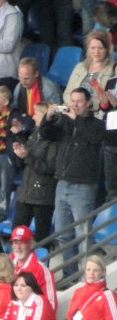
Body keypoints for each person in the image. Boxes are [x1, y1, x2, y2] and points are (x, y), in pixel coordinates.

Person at [41, 89, 105, 278]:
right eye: (73, 101)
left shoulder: (96, 124)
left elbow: (93, 138)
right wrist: (48, 117)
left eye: (79, 101)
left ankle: (90, 277)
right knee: (62, 233)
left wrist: (75, 119)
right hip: (62, 183)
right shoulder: (65, 123)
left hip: (83, 186)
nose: (75, 104)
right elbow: (46, 134)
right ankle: (70, 276)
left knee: (83, 234)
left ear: (88, 103)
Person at [0, 86, 31, 222]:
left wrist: (20, 128)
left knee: (5, 185)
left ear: (5, 102)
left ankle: (1, 211)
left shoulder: (15, 114)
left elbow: (29, 123)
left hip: (8, 155)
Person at [11, 102, 58, 241]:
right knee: (16, 235)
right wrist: (20, 152)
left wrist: (27, 157)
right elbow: (25, 160)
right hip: (25, 192)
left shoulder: (53, 140)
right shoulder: (34, 134)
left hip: (43, 196)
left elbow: (50, 168)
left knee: (41, 239)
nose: (33, 116)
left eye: (37, 113)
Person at [63, 255, 117, 320]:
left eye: (95, 270)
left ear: (102, 272)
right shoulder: (78, 292)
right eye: (88, 269)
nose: (91, 273)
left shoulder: (107, 295)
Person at [64, 30, 115, 112]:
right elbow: (67, 93)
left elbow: (111, 100)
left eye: (100, 48)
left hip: (96, 114)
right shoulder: (79, 67)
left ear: (107, 49)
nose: (96, 52)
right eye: (93, 48)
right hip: (73, 110)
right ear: (88, 48)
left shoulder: (114, 70)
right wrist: (74, 105)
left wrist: (87, 106)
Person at [9, 225, 57, 310]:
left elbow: (51, 305)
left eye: (22, 242)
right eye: (15, 242)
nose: (18, 247)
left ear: (31, 244)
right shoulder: (6, 263)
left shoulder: (41, 270)